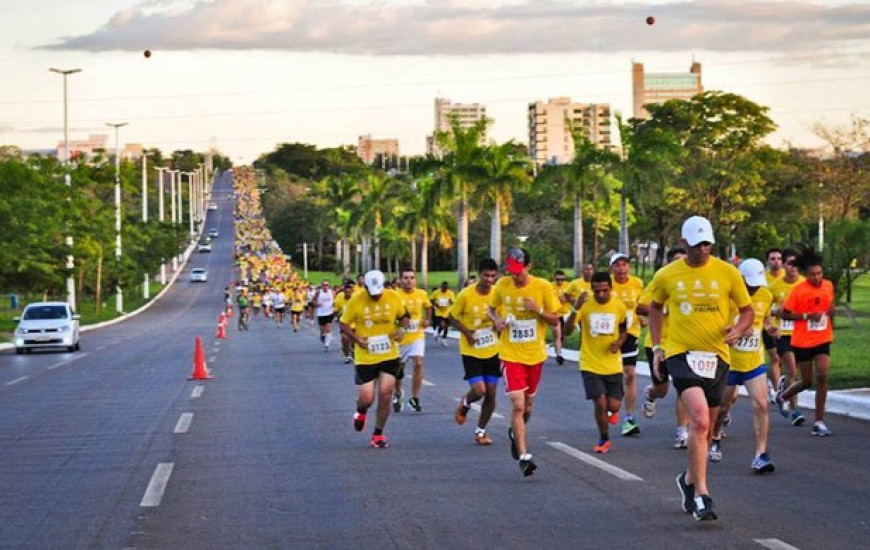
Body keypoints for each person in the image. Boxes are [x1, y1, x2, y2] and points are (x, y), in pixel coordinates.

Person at [649, 216, 753, 521]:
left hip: (717, 356)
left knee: (706, 428)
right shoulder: (667, 274)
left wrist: (738, 329)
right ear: (683, 243)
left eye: (707, 244)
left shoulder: (728, 273)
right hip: (681, 354)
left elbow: (747, 310)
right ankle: (702, 495)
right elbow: (654, 307)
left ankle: (689, 479)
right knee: (699, 418)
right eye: (696, 245)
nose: (702, 250)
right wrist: (658, 347)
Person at [489, 248, 560, 477]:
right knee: (518, 405)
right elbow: (490, 309)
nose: (515, 276)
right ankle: (523, 457)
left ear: (529, 267)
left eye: (518, 271)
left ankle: (515, 432)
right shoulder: (502, 285)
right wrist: (497, 320)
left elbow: (555, 319)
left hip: (535, 355)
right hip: (510, 355)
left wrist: (537, 309)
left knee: (528, 407)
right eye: (511, 271)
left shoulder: (543, 287)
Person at [708, 259, 776, 474]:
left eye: (757, 284)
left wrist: (770, 328)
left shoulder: (766, 295)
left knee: (762, 405)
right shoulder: (727, 297)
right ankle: (715, 436)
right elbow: (714, 325)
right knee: (723, 407)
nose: (754, 289)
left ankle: (760, 455)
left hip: (754, 362)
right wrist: (736, 330)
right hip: (729, 362)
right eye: (750, 284)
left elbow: (764, 319)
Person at [340, 270, 410, 448]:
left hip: (389, 354)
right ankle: (361, 410)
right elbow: (344, 324)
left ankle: (378, 434)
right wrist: (356, 340)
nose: (376, 296)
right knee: (367, 399)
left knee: (385, 394)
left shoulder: (394, 297)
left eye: (379, 292)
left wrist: (402, 330)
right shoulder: (356, 301)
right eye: (372, 293)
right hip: (366, 356)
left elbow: (404, 317)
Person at [565, 271, 627, 453]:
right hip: (590, 362)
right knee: (599, 402)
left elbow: (624, 329)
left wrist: (619, 342)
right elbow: (567, 331)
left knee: (613, 405)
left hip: (612, 364)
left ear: (611, 288)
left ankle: (613, 412)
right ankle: (604, 438)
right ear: (591, 289)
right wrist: (575, 308)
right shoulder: (584, 305)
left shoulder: (618, 306)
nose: (600, 294)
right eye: (597, 291)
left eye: (604, 290)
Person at [775, 247, 835, 436]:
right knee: (807, 381)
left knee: (822, 376)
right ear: (806, 274)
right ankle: (783, 395)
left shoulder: (828, 286)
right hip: (802, 341)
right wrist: (807, 316)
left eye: (819, 273)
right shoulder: (799, 291)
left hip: (822, 338)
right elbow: (785, 314)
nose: (816, 277)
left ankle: (819, 422)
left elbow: (829, 306)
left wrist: (830, 315)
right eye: (812, 274)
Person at [638, 247, 690, 449]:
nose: (681, 263)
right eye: (677, 259)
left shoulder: (690, 284)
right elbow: (641, 307)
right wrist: (665, 309)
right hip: (657, 344)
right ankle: (651, 394)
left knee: (684, 387)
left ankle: (682, 431)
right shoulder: (660, 281)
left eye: (684, 259)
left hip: (682, 344)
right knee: (662, 390)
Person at [449, 259, 501, 445]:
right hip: (471, 350)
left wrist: (499, 324)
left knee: (491, 393)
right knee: (479, 390)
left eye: (493, 276)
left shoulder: (497, 294)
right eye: (486, 275)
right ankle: (465, 403)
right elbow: (452, 317)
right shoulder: (465, 295)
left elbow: (501, 316)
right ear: (479, 275)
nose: (489, 280)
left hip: (493, 348)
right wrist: (467, 333)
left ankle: (481, 431)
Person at [609, 253, 645, 436]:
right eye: (618, 265)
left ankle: (629, 418)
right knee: (612, 374)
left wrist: (643, 317)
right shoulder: (606, 284)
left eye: (625, 265)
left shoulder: (637, 283)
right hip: (610, 334)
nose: (622, 268)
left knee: (629, 375)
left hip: (631, 333)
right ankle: (612, 406)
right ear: (611, 268)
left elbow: (642, 305)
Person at [768, 250, 806, 425]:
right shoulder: (775, 286)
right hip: (783, 334)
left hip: (802, 333)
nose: (793, 268)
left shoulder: (804, 283)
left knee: (799, 372)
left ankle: (783, 392)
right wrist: (776, 315)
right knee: (792, 370)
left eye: (796, 264)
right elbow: (765, 310)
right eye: (790, 263)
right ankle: (795, 409)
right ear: (784, 265)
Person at [393, 269, 433, 413]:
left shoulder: (421, 294)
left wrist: (427, 319)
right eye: (405, 278)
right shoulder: (395, 296)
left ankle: (414, 397)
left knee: (418, 363)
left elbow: (428, 307)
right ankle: (398, 393)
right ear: (400, 280)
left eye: (411, 278)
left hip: (417, 335)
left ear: (415, 280)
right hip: (401, 338)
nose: (409, 281)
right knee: (399, 369)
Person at [764, 248, 785, 403]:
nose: (776, 261)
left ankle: (771, 381)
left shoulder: (787, 277)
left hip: (786, 325)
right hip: (768, 324)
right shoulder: (763, 279)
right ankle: (778, 391)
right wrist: (772, 312)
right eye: (772, 259)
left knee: (783, 359)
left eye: (778, 258)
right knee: (775, 357)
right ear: (768, 261)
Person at [552, 270, 572, 365]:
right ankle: (559, 355)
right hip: (555, 314)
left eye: (562, 279)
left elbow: (573, 298)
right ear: (554, 278)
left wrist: (567, 299)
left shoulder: (569, 286)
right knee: (557, 334)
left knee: (563, 335)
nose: (560, 281)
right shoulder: (550, 286)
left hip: (565, 313)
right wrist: (557, 300)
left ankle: (560, 350)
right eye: (558, 279)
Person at [334, 280, 356, 363]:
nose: (348, 294)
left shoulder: (356, 298)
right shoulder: (339, 297)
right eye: (346, 293)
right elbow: (336, 310)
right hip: (345, 323)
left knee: (354, 342)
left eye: (349, 293)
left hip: (355, 324)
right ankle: (347, 355)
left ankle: (353, 352)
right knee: (345, 339)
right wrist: (336, 318)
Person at [431, 281, 455, 346]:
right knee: (442, 324)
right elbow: (431, 300)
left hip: (447, 311)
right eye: (443, 288)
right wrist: (435, 304)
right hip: (439, 311)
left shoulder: (450, 293)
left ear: (447, 288)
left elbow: (452, 302)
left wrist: (450, 301)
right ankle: (439, 333)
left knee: (446, 326)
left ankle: (443, 338)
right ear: (441, 287)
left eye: (446, 288)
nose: (444, 289)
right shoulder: (436, 293)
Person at [314, 280, 336, 351]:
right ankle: (322, 336)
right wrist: (316, 304)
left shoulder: (332, 292)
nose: (325, 286)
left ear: (329, 286)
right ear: (321, 286)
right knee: (322, 331)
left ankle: (327, 344)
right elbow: (313, 301)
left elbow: (336, 300)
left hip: (329, 312)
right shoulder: (318, 292)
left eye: (326, 285)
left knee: (328, 329)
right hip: (321, 313)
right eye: (323, 285)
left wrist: (334, 305)